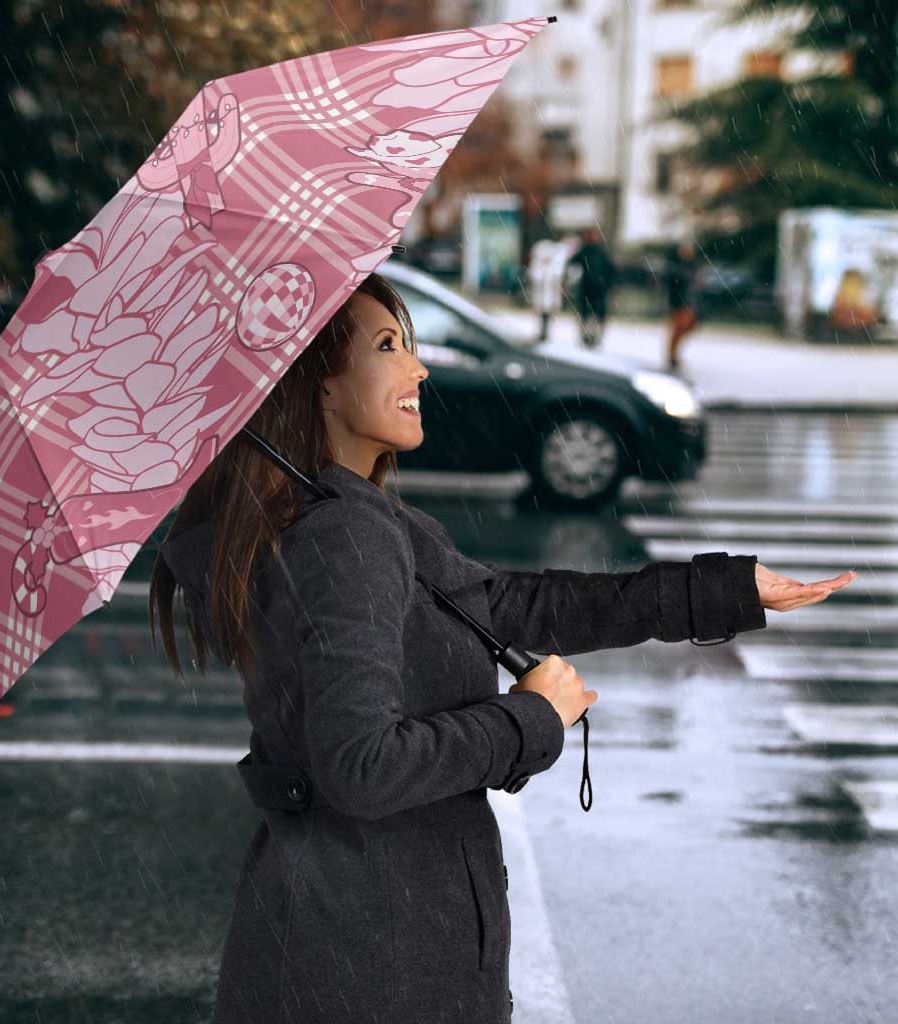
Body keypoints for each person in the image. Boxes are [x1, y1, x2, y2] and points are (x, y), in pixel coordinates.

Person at [150, 271, 852, 1024]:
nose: (418, 368)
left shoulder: (351, 518)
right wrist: (529, 719)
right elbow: (361, 768)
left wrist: (724, 591)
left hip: (353, 942)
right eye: (388, 346)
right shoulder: (343, 537)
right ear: (319, 386)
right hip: (372, 962)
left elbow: (514, 605)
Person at [566, 226, 616, 349]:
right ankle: (587, 337)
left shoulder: (599, 252)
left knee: (594, 315)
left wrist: (609, 284)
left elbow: (610, 270)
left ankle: (593, 337)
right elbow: (572, 264)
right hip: (589, 288)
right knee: (587, 314)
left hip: (597, 288)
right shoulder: (586, 251)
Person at [664, 239, 700, 370]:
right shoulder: (676, 267)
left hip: (688, 303)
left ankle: (673, 354)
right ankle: (672, 355)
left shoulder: (691, 266)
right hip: (679, 303)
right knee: (678, 329)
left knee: (686, 328)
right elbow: (673, 286)